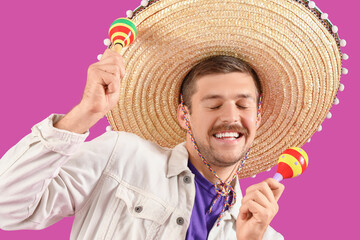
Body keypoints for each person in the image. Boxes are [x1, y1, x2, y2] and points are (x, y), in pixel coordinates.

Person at [0, 0, 344, 239]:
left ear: (258, 116)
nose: (230, 117)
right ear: (184, 114)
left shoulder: (260, 231)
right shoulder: (121, 156)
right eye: (213, 103)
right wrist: (84, 113)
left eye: (243, 104)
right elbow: (7, 208)